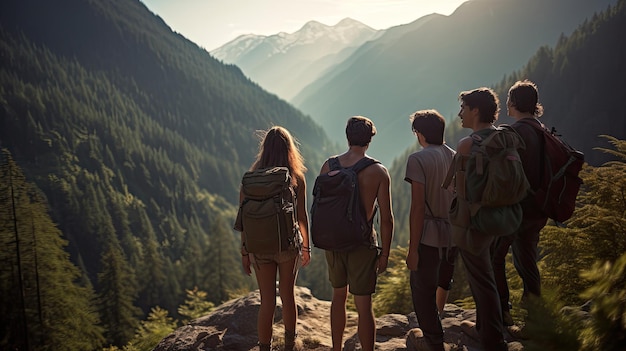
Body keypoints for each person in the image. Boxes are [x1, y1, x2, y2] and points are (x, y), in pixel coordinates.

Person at [320, 116, 393, 351]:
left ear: (347, 136)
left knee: (338, 297)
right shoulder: (378, 172)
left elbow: (320, 206)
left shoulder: (329, 166)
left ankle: (336, 348)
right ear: (370, 139)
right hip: (362, 244)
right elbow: (387, 220)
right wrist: (384, 255)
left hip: (333, 242)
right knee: (363, 305)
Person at [239, 126, 311, 351]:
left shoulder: (250, 180)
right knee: (288, 296)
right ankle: (290, 345)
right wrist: (306, 247)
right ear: (289, 149)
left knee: (267, 301)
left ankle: (264, 347)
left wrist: (245, 252)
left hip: (259, 248)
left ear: (265, 149)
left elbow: (243, 217)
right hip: (287, 246)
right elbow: (301, 217)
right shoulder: (295, 176)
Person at [491, 79, 549, 329]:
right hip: (538, 208)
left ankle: (503, 312)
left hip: (516, 210)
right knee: (527, 261)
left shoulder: (515, 132)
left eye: (508, 100)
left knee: (494, 257)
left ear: (513, 103)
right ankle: (535, 317)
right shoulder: (542, 130)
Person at [455, 87, 508, 351]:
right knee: (491, 276)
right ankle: (490, 328)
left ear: (475, 110)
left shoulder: (468, 145)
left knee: (482, 280)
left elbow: (461, 190)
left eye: (463, 108)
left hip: (477, 221)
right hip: (505, 217)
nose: (460, 114)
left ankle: (491, 339)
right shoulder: (504, 138)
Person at [404, 110, 459, 351]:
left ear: (420, 133)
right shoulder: (456, 156)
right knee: (443, 281)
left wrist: (412, 248)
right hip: (453, 233)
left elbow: (417, 207)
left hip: (428, 235)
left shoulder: (418, 159)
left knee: (422, 290)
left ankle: (434, 341)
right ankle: (436, 332)